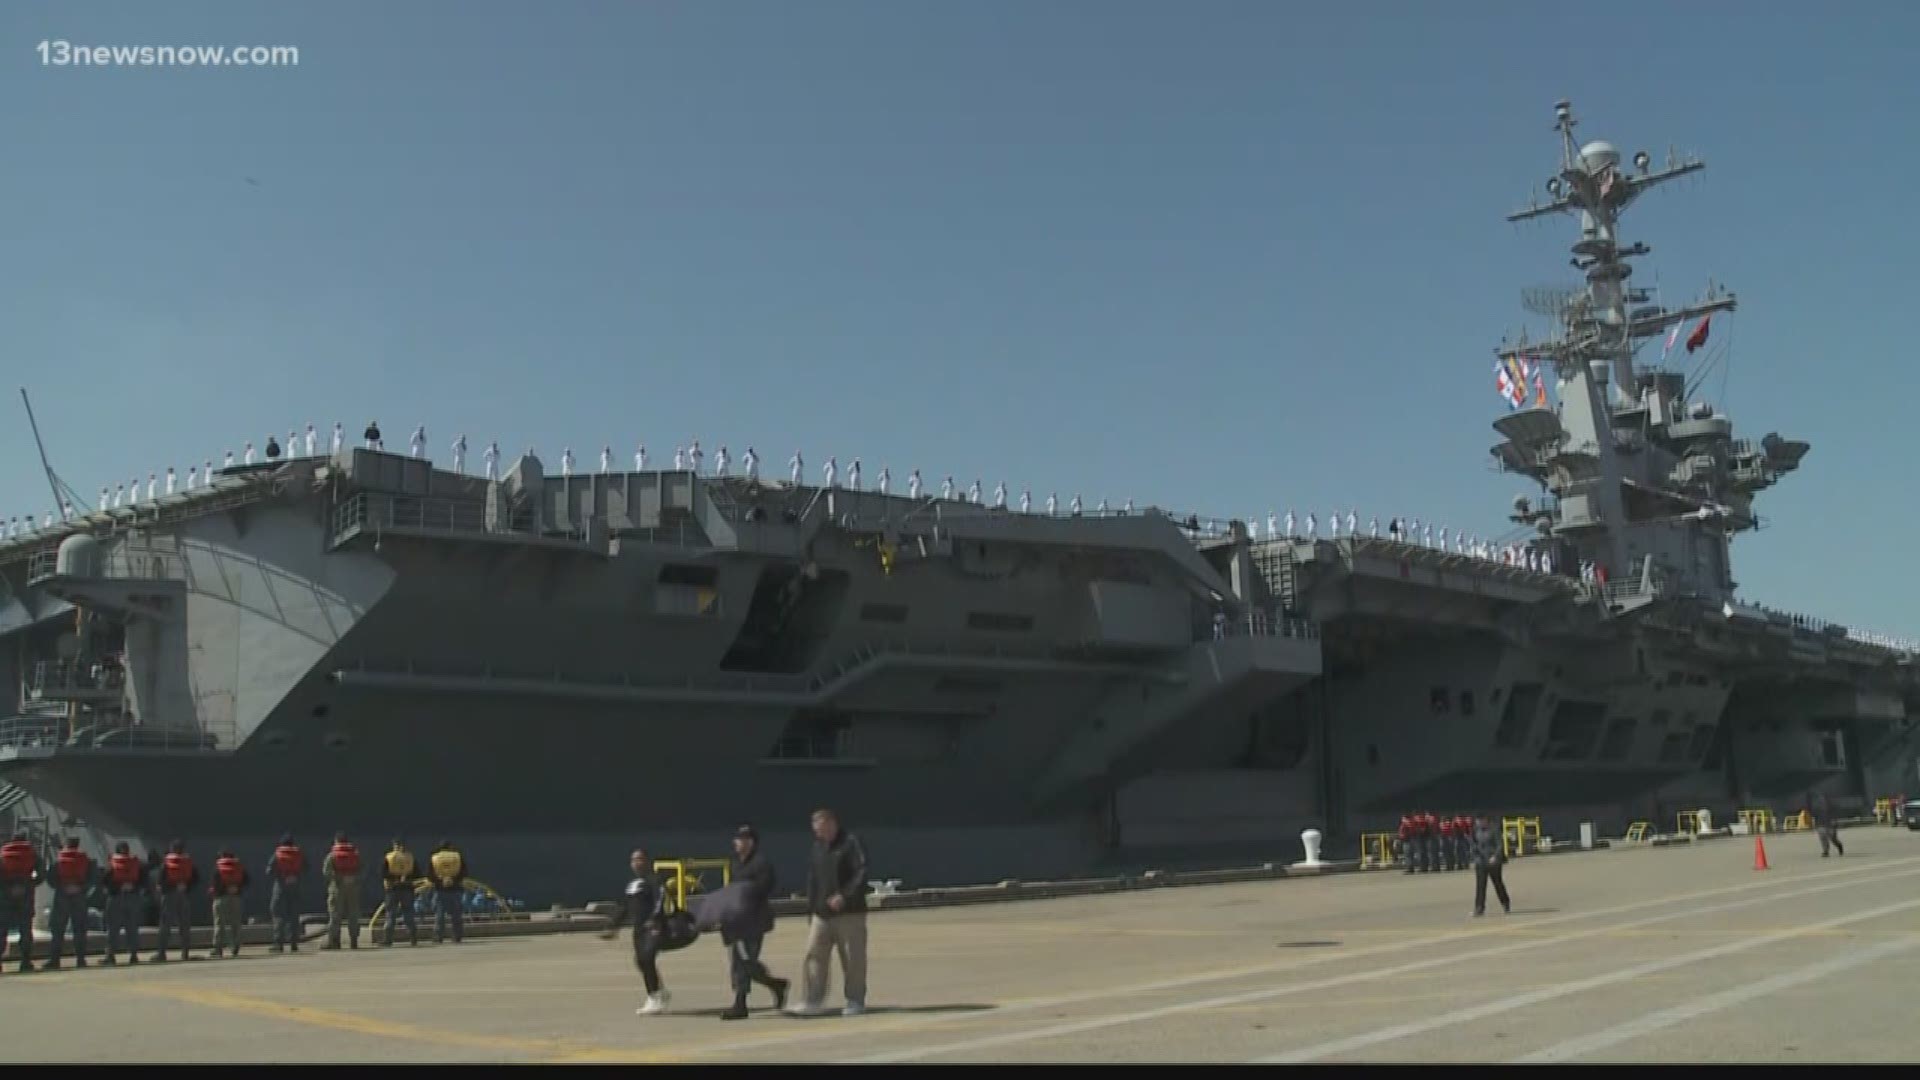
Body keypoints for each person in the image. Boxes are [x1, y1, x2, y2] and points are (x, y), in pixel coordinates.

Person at [798, 808, 870, 1016]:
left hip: (849, 914)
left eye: (822, 829)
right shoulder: (817, 847)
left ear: (832, 823)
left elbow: (861, 871)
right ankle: (813, 1000)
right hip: (822, 914)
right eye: (816, 830)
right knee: (813, 955)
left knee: (852, 958)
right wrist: (811, 909)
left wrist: (844, 896)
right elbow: (813, 879)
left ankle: (855, 1000)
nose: (819, 834)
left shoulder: (851, 843)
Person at [718, 826, 789, 1020]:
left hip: (753, 921)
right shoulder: (735, 864)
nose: (736, 842)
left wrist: (745, 895)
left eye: (740, 839)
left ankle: (740, 1004)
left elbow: (765, 887)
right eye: (736, 839)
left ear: (750, 842)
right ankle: (775, 985)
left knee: (746, 961)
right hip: (736, 921)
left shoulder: (761, 863)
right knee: (741, 962)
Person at [603, 848, 670, 1015]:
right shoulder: (632, 885)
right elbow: (626, 907)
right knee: (641, 961)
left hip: (652, 927)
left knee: (646, 959)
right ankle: (661, 991)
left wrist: (656, 920)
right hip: (638, 929)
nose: (637, 863)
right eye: (634, 860)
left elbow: (660, 900)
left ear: (647, 861)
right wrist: (614, 926)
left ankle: (654, 998)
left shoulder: (654, 880)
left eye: (640, 859)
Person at [45, 837, 94, 969]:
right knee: (79, 929)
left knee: (58, 929)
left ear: (67, 844)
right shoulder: (86, 860)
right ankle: (81, 960)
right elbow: (93, 878)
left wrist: (62, 887)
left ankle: (54, 960)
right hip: (80, 897)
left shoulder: (58, 859)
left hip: (62, 896)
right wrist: (81, 888)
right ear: (78, 845)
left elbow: (50, 879)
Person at [101, 841, 148, 965]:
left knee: (113, 928)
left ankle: (110, 955)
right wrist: (134, 887)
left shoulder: (113, 862)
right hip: (133, 897)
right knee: (132, 927)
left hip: (116, 897)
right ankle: (133, 955)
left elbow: (105, 880)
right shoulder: (136, 863)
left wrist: (116, 887)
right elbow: (144, 880)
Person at [0, 831, 40, 972]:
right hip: (26, 894)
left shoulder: (3, 853)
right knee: (25, 929)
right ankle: (25, 961)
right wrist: (32, 883)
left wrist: (6, 887)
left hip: (5, 896)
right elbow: (42, 872)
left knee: (1, 929)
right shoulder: (31, 853)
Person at [153, 839, 199, 961]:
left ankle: (162, 953)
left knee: (165, 925)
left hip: (169, 895)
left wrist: (164, 889)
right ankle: (185, 953)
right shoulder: (188, 862)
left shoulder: (167, 862)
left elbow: (160, 881)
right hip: (183, 895)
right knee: (184, 925)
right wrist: (185, 887)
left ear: (172, 848)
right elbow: (195, 878)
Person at [323, 832, 364, 949]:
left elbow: (326, 872)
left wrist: (338, 878)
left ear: (336, 841)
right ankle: (354, 940)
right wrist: (354, 879)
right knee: (354, 914)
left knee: (335, 914)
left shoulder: (332, 855)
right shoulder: (355, 854)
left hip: (337, 887)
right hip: (353, 888)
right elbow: (362, 870)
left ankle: (334, 941)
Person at [267, 835, 305, 953]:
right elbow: (306, 867)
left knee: (278, 914)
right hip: (295, 887)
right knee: (294, 915)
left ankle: (278, 943)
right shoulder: (298, 854)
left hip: (280, 887)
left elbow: (269, 870)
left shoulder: (278, 854)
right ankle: (294, 943)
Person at [209, 849, 250, 958]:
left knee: (219, 923)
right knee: (235, 923)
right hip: (236, 898)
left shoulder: (218, 867)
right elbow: (246, 880)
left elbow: (214, 883)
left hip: (221, 898)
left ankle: (217, 948)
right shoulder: (238, 867)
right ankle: (235, 946)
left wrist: (220, 890)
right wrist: (236, 887)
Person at [1470, 812, 1511, 917]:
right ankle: (1479, 908)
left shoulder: (1494, 830)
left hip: (1493, 862)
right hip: (1481, 861)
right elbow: (1473, 844)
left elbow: (1500, 845)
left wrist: (1495, 856)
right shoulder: (1476, 830)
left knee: (1497, 883)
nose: (1479, 823)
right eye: (1477, 821)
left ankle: (1505, 902)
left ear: (1486, 820)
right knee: (1480, 886)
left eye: (1480, 821)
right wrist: (1475, 857)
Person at [381, 839, 421, 947]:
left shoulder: (389, 857)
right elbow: (417, 874)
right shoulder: (410, 857)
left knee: (390, 914)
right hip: (407, 888)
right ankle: (413, 938)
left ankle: (387, 940)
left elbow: (384, 873)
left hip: (393, 888)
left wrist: (393, 879)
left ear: (394, 845)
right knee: (408, 914)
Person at [428, 840, 467, 944]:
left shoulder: (435, 858)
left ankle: (438, 937)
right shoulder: (457, 857)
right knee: (456, 915)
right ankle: (457, 937)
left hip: (440, 890)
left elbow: (430, 875)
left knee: (439, 916)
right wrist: (453, 880)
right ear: (450, 846)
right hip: (455, 890)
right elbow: (464, 872)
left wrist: (441, 880)